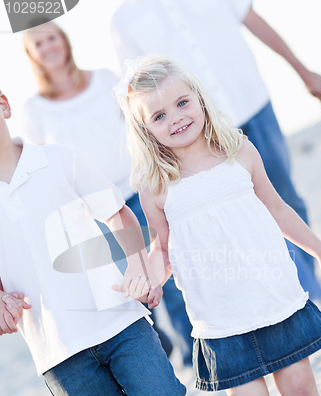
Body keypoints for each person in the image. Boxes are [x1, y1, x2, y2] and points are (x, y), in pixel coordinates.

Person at [114, 54, 321, 396]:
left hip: (275, 297)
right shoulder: (156, 185)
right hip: (221, 317)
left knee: (302, 389)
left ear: (199, 98)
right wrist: (149, 278)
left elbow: (277, 209)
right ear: (144, 129)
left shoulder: (238, 150)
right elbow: (164, 247)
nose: (175, 118)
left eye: (182, 103)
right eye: (158, 115)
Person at [0, 90, 221, 396]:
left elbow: (119, 214)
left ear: (5, 104)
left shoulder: (58, 159)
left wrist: (140, 271)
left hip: (118, 318)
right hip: (59, 352)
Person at [110, 0, 321, 306]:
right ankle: (297, 290)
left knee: (281, 197)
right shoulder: (124, 19)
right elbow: (137, 93)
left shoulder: (243, 149)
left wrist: (303, 71)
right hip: (185, 136)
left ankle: (305, 288)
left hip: (250, 105)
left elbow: (254, 21)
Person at [21, 20, 193, 365]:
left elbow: (138, 126)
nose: (48, 47)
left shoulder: (102, 79)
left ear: (64, 40)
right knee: (127, 284)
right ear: (31, 55)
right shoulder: (35, 109)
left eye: (52, 37)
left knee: (166, 271)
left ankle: (193, 350)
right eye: (38, 44)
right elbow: (39, 164)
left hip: (135, 189)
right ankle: (160, 352)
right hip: (91, 212)